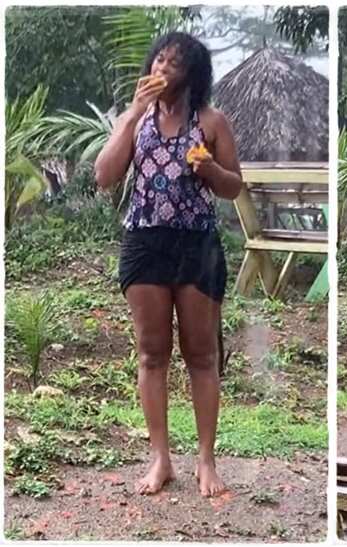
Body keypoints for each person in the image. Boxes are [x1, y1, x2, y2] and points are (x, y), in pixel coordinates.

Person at [95, 32, 243, 496]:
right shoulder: (134, 120)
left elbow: (233, 187)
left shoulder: (212, 122)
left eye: (174, 64)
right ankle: (160, 458)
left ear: (192, 74)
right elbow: (103, 175)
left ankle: (206, 461)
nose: (162, 68)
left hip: (197, 243)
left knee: (201, 355)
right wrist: (132, 116)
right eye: (158, 59)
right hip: (145, 241)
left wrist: (211, 171)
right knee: (151, 353)